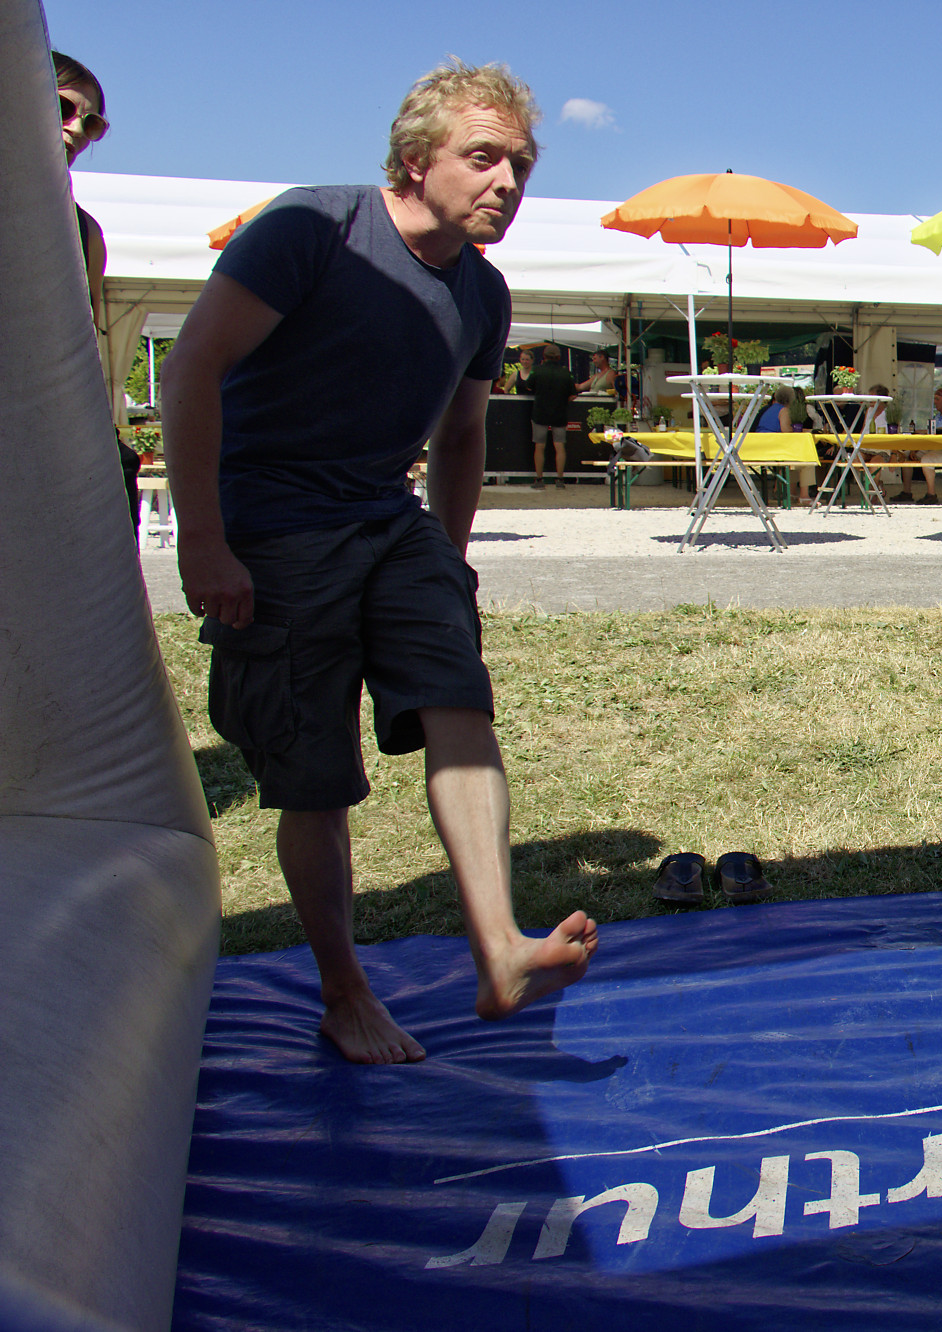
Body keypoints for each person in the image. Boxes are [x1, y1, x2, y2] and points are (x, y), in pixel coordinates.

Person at [162, 60, 596, 1065]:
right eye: (483, 158)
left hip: (389, 521)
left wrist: (451, 559)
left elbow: (461, 433)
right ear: (414, 160)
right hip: (274, 529)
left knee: (459, 700)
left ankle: (499, 949)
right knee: (314, 776)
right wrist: (204, 539)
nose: (507, 182)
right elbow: (193, 369)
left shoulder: (483, 293)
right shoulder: (315, 228)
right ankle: (344, 993)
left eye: (521, 165)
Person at [54, 52, 140, 532]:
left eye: (92, 124)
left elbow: (80, 348)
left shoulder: (85, 233)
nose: (76, 131)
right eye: (63, 108)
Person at [899, 385, 942, 505]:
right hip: (935, 448)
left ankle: (931, 494)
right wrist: (916, 448)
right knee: (906, 455)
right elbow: (931, 435)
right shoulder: (939, 415)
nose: (935, 402)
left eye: (937, 399)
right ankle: (907, 492)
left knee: (927, 460)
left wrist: (925, 431)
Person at [526, 344, 574, 489]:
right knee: (559, 445)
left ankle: (539, 479)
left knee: (539, 446)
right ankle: (560, 479)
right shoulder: (566, 373)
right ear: (559, 357)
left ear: (544, 356)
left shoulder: (537, 370)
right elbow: (573, 394)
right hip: (559, 413)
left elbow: (529, 386)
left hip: (540, 413)